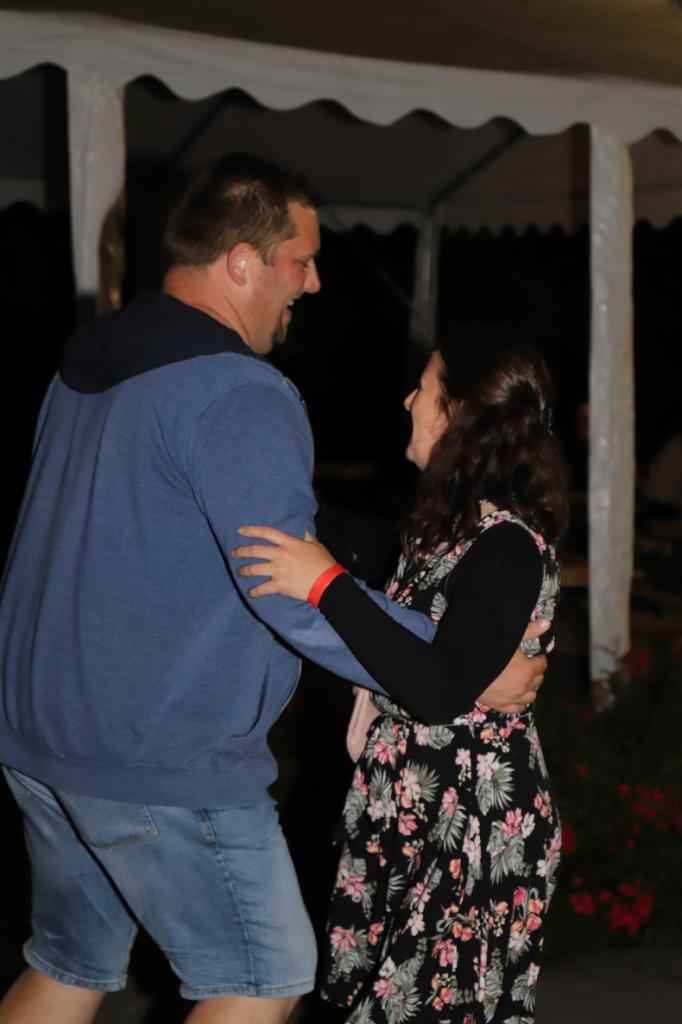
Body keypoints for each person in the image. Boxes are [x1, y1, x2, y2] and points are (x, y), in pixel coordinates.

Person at [0, 153, 548, 1024]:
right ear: (242, 263)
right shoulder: (237, 391)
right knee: (262, 982)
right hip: (160, 759)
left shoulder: (90, 369)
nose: (315, 282)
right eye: (302, 260)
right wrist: (456, 663)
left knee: (70, 965)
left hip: (40, 737)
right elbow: (285, 580)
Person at [234, 326, 568, 1023]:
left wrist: (324, 584)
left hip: (468, 837)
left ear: (459, 415)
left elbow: (438, 688)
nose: (408, 399)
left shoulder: (507, 547)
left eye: (424, 388)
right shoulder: (446, 534)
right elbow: (384, 587)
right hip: (410, 819)